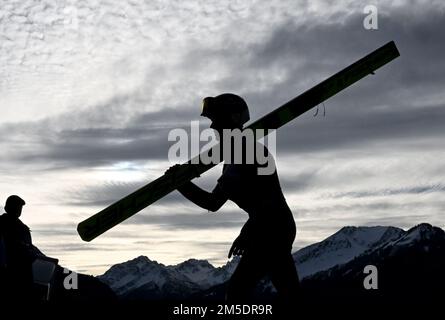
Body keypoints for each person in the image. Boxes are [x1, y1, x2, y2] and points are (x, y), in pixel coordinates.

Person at [167, 93, 300, 303]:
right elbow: (264, 200)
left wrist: (178, 183)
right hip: (274, 227)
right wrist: (247, 232)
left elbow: (213, 203)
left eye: (216, 121)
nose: (212, 128)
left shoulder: (244, 154)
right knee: (287, 290)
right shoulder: (238, 154)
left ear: (233, 120)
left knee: (237, 292)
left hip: (271, 230)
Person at [0, 195, 41, 300]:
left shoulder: (23, 228)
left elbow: (30, 249)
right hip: (9, 274)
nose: (18, 210)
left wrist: (39, 255)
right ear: (8, 207)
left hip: (24, 275)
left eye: (20, 207)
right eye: (16, 206)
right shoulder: (2, 224)